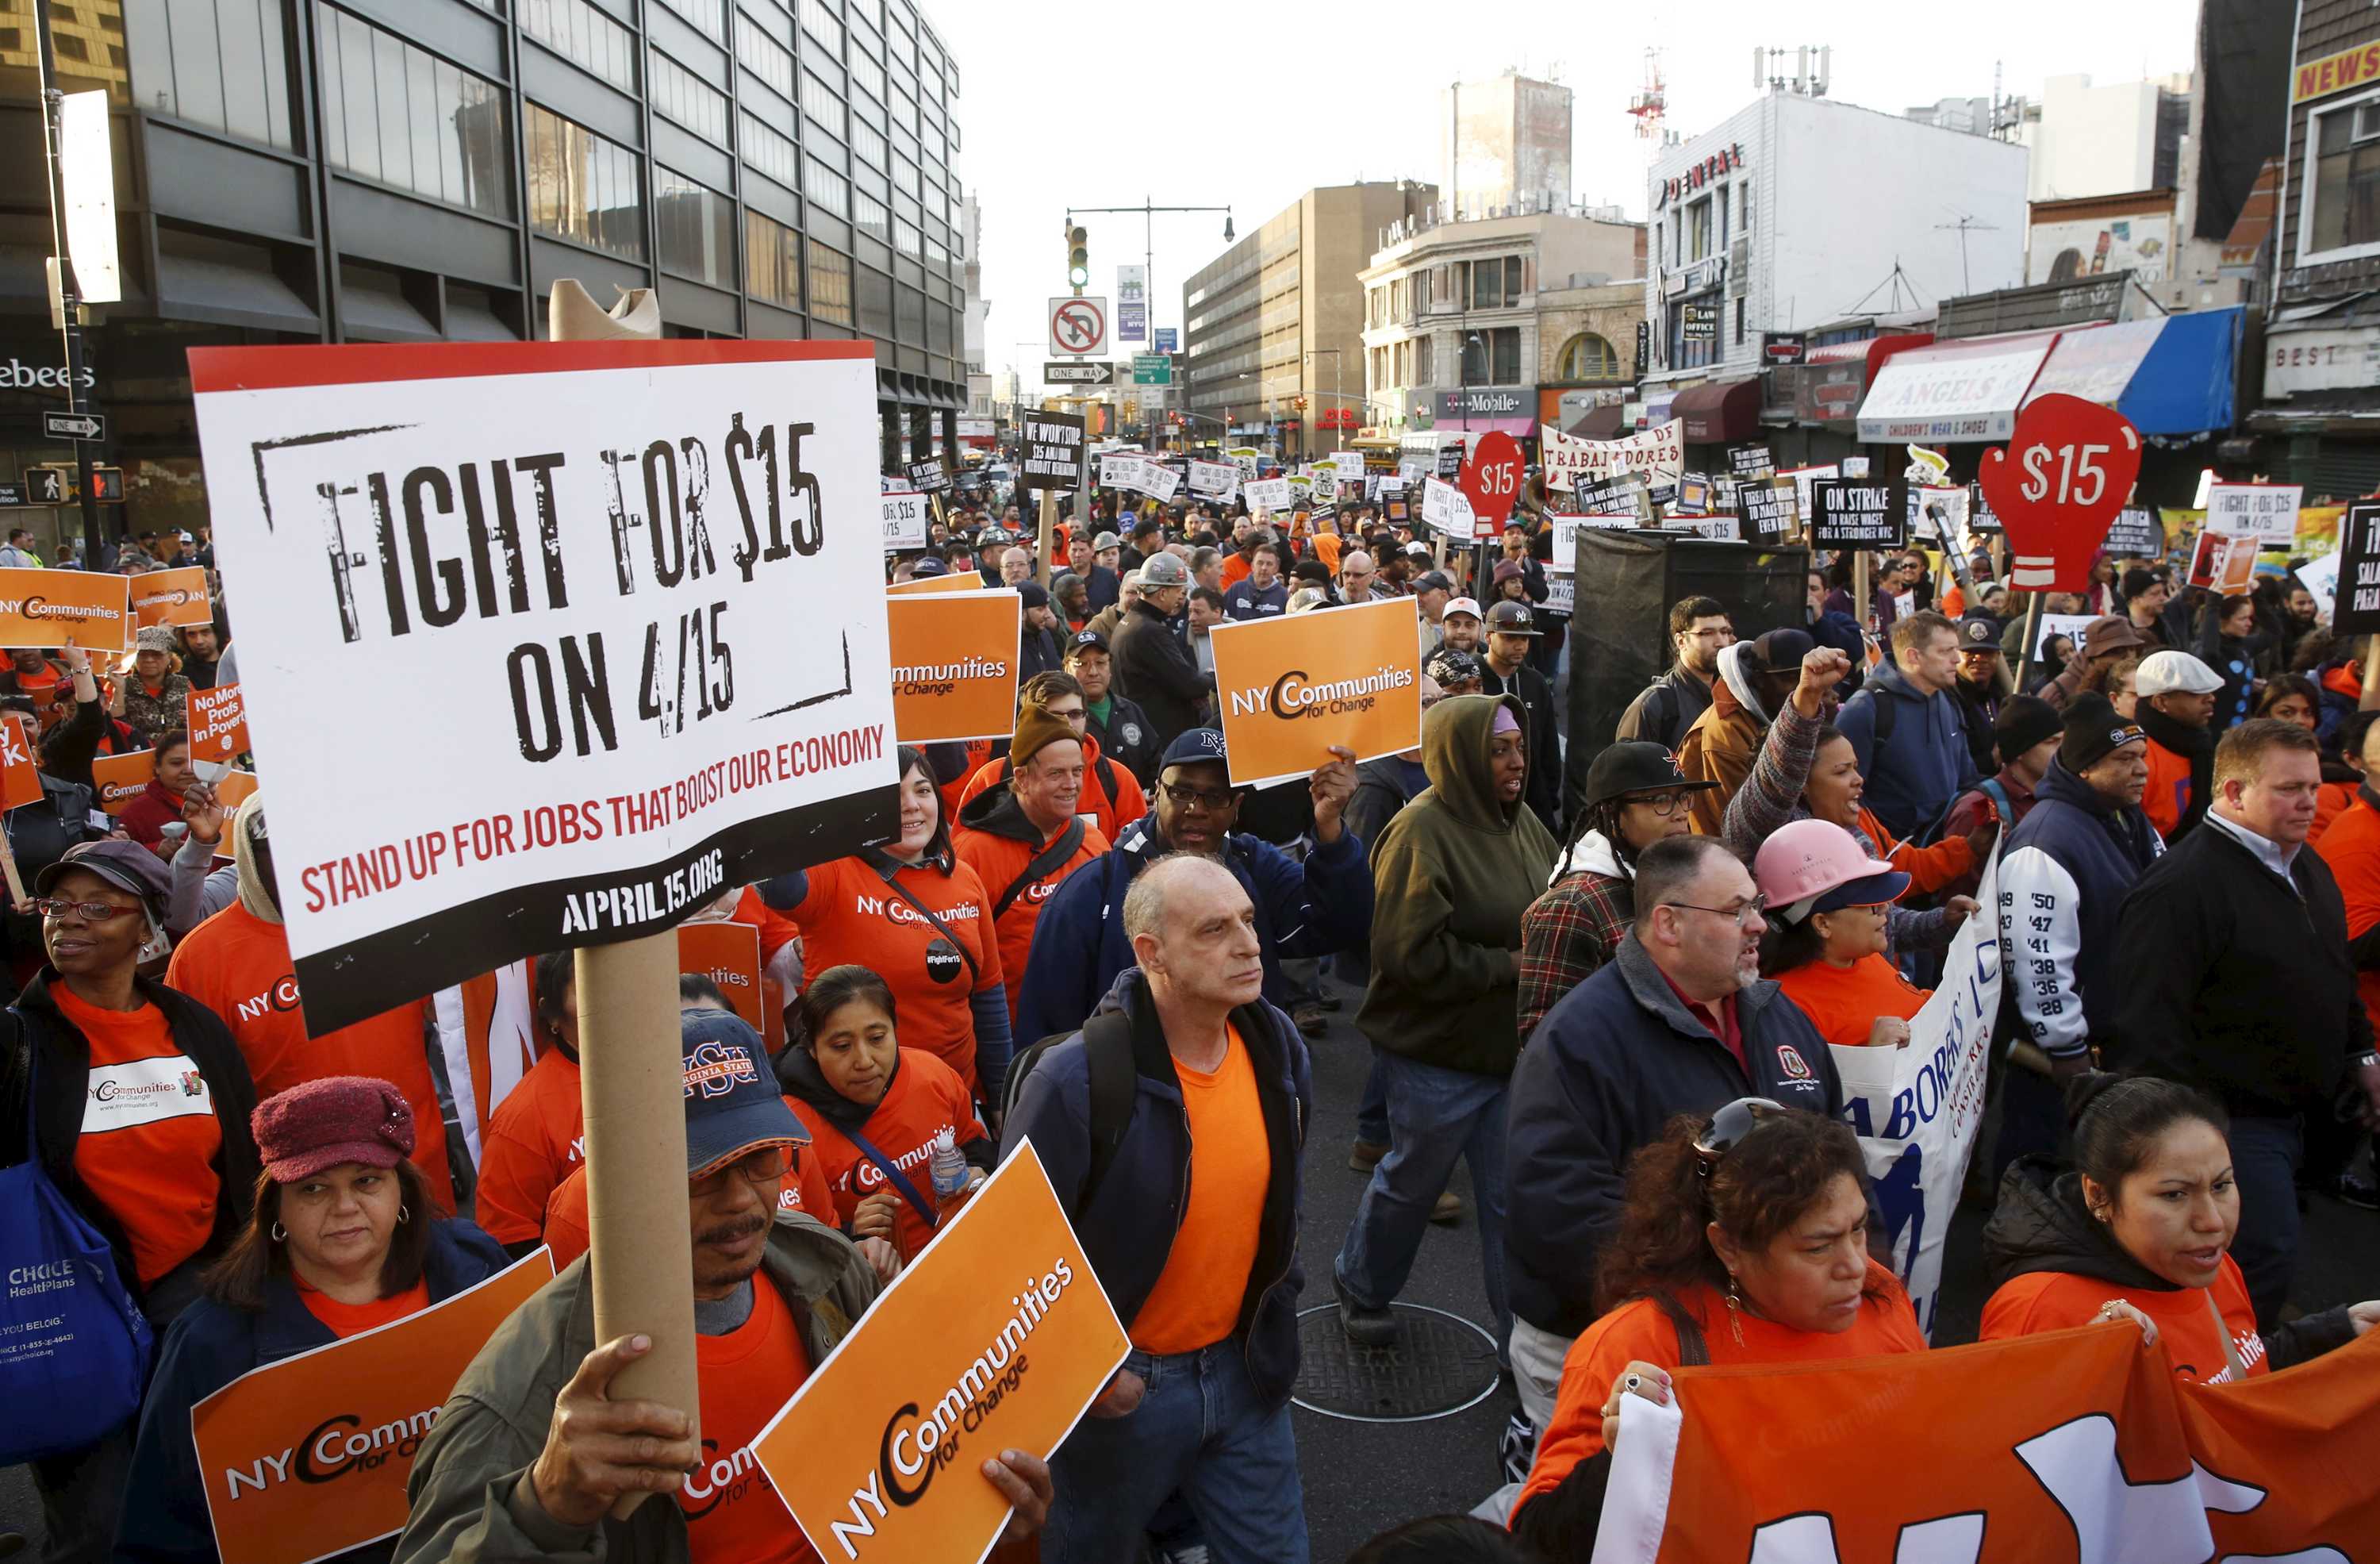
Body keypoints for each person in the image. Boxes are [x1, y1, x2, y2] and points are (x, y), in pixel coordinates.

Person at [397, 1006, 1054, 1561]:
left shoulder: (825, 1264)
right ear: (626, 1174)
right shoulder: (521, 1390)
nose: (741, 1200)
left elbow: (904, 1461)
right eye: (703, 1170)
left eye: (761, 1157)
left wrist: (982, 1506)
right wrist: (544, 1506)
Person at [1001, 855, 1311, 1564]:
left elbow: (1282, 1211)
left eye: (1248, 920)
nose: (1248, 943)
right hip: (1125, 1394)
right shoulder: (1074, 1081)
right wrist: (1082, 1375)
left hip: (1247, 1370)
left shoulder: (1278, 1048)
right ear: (1152, 953)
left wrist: (1276, 1310)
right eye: (1214, 928)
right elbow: (1014, 1255)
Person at [1503, 838, 1844, 1443]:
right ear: (1669, 923)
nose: (1760, 924)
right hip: (1615, 1355)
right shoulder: (1577, 1042)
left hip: (1756, 1336)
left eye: (1757, 904)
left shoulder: (1779, 1017)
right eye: (1736, 909)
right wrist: (1731, 1280)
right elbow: (1559, 1219)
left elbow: (1839, 1165)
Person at [119, 1077, 512, 1564]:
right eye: (313, 1188)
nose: (345, 1207)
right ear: (275, 1209)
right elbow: (161, 1536)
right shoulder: (209, 1346)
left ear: (401, 1188)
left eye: (367, 1180)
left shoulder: (479, 1269)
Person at [0, 840, 261, 1564]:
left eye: (95, 907)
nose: (66, 922)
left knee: (207, 1499)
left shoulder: (196, 1029)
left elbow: (242, 1160)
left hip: (193, 1302)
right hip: (74, 1313)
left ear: (145, 928)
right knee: (102, 1526)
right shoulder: (19, 1042)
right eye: (56, 905)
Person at [1511, 1104, 1924, 1556]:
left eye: (1859, 1229)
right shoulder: (1637, 1348)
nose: (1855, 1265)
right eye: (1819, 1247)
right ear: (1728, 1246)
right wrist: (1617, 1462)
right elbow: (1538, 1545)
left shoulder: (1878, 1297)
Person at [2109, 719, 2378, 1328]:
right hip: (2233, 1121)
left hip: (2305, 1109)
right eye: (2289, 789)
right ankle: (2229, 1371)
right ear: (2233, 792)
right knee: (2260, 1252)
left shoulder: (2304, 863)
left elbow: (2333, 969)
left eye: (2312, 785)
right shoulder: (2181, 888)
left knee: (2273, 1249)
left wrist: (2361, 1055)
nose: (2309, 801)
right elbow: (2147, 1031)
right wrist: (2196, 1137)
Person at [1334, 694, 1557, 1354]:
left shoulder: (1521, 820)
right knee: (1411, 1185)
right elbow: (1408, 956)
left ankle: (1521, 1342)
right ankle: (1361, 1283)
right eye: (1498, 748)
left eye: (1519, 744)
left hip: (1511, 1048)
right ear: (1459, 755)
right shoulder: (1418, 832)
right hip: (1437, 1054)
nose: (1516, 760)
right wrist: (1508, 964)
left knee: (1510, 1198)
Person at [1982, 1072, 2376, 1381]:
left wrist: (2335, 1332)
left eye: (2221, 1185)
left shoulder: (2203, 1262)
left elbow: (2231, 1375)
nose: (2213, 1221)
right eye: (2174, 1195)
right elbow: (2002, 1457)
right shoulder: (2040, 1311)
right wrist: (2078, 1377)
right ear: (2099, 1196)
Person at [167, 799, 458, 1213]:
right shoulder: (202, 956)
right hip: (302, 1195)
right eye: (278, 850)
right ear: (249, 855)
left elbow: (462, 1017)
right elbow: (192, 1090)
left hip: (414, 1176)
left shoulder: (396, 916)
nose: (297, 864)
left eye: (310, 845)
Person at [1017, 728, 1369, 1043]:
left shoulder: (1256, 867)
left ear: (1237, 807)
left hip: (1242, 1092)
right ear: (1157, 794)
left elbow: (1341, 925)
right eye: (1182, 791)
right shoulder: (1091, 891)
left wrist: (1330, 830)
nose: (1196, 809)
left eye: (1215, 797)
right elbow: (1047, 1033)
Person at [758, 745, 1012, 1099]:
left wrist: (1000, 1096)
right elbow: (780, 888)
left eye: (922, 790)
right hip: (857, 1107)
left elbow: (987, 997)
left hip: (951, 1100)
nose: (911, 805)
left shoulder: (965, 879)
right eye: (893, 795)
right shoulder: (835, 873)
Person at [1991, 693, 2163, 1178]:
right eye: (2124, 759)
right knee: (2043, 1178)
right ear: (2085, 768)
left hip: (2118, 1042)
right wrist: (2066, 1047)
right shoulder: (2046, 843)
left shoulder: (2125, 817)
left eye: (2142, 757)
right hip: (2062, 1064)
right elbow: (2036, 960)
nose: (2141, 770)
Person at [779, 966, 991, 1263]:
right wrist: (853, 1234)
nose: (864, 1061)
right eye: (841, 1046)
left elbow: (977, 1147)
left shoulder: (933, 1075)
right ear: (812, 1049)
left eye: (877, 1038)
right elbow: (796, 1250)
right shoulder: (791, 1131)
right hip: (878, 1298)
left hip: (966, 1262)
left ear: (895, 1030)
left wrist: (981, 1174)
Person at [1518, 744, 1714, 1045]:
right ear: (1613, 812)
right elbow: (1545, 1036)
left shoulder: (1678, 881)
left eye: (1684, 798)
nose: (1679, 814)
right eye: (1660, 800)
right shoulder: (1572, 907)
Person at [954, 707, 1109, 1039]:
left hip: (1083, 1029)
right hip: (1009, 1034)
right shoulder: (975, 853)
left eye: (1077, 772)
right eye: (1057, 774)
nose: (1071, 785)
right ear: (1022, 778)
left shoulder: (1094, 843)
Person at [1752, 819, 1929, 1050]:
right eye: (1870, 903)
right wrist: (1871, 1059)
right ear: (1823, 924)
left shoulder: (1861, 956)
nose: (1885, 908)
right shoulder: (1788, 1010)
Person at [1833, 609, 1979, 843]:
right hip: (1893, 858)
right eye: (1945, 651)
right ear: (1913, 657)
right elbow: (1842, 798)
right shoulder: (1865, 708)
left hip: (1947, 850)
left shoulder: (1949, 699)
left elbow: (1966, 777)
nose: (1957, 659)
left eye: (1955, 649)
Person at [958, 670, 1149, 843]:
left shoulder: (1117, 778)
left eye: (1075, 714)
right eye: (1054, 715)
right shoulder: (991, 777)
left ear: (1086, 717)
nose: (1066, 723)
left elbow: (1136, 860)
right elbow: (962, 855)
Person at [1676, 628, 1814, 835]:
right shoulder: (1724, 733)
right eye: (1791, 678)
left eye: (1808, 678)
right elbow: (1737, 832)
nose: (1802, 688)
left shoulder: (1802, 705)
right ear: (1758, 679)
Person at [1936, 694, 2063, 899]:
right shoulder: (1978, 806)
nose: (2061, 751)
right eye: (2052, 742)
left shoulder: (2057, 798)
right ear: (2020, 751)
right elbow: (1960, 899)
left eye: (2063, 741)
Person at [1111, 551, 1213, 753]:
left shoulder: (1132, 622)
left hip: (1143, 731)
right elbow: (1189, 684)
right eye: (1178, 592)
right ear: (1163, 593)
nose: (1180, 599)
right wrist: (1213, 677)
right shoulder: (1150, 631)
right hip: (1159, 737)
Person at [1477, 600, 1563, 836]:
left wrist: (1549, 796)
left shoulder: (1535, 682)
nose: (1518, 646)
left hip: (1533, 805)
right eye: (1509, 638)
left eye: (1524, 639)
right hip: (1484, 805)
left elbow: (1548, 746)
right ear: (1489, 637)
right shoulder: (1473, 680)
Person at [1615, 595, 1732, 749]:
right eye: (1707, 633)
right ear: (1681, 641)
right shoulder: (1652, 706)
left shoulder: (1733, 695)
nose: (1720, 642)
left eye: (1724, 632)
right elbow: (1630, 769)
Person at [2134, 648, 2224, 841]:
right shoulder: (2138, 757)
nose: (2211, 698)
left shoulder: (2200, 745)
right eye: (2195, 693)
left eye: (2209, 691)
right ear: (2161, 702)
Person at [1064, 628, 1161, 786]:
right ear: (1067, 669)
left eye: (1101, 663)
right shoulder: (1060, 717)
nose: (1093, 672)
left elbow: (1155, 762)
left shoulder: (1131, 711)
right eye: (1082, 664)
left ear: (1110, 667)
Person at [2034, 616, 2149, 710]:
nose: (2129, 657)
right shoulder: (2056, 692)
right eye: (2119, 652)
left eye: (2132, 649)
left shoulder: (2140, 680)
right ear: (2095, 656)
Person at [1952, 609, 2012, 779]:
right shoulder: (1946, 699)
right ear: (1957, 655)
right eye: (1970, 652)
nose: (1979, 658)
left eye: (1987, 653)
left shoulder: (2002, 693)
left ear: (1998, 656)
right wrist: (1992, 758)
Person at [118, 728, 198, 853]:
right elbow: (121, 857)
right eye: (177, 763)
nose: (189, 770)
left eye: (196, 762)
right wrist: (155, 850)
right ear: (157, 767)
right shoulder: (135, 814)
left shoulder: (226, 802)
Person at [115, 625, 197, 749]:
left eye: (156, 654)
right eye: (142, 654)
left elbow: (204, 719)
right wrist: (119, 690)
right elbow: (114, 725)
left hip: (179, 754)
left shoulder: (184, 685)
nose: (149, 660)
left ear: (169, 657)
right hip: (136, 755)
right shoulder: (120, 684)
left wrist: (195, 720)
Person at [2197, 591, 2264, 732]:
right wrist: (2213, 601)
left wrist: (2258, 594)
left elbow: (2275, 632)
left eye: (2250, 618)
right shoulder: (2211, 650)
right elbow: (2210, 650)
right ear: (2223, 620)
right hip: (2216, 732)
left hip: (2240, 732)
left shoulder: (2244, 645)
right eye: (2242, 619)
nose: (2249, 623)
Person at [1221, 537, 1288, 620]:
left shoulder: (1284, 596)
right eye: (1260, 563)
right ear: (1252, 566)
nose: (1264, 568)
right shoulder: (1236, 589)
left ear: (1276, 568)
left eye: (1269, 564)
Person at [1065, 530, 1122, 612]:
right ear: (1068, 550)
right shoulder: (1059, 579)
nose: (1078, 555)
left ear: (1092, 550)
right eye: (1074, 550)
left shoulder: (1108, 578)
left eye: (1082, 550)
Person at [178, 622, 224, 690]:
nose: (199, 641)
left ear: (216, 633)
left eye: (205, 633)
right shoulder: (181, 674)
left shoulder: (233, 662)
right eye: (192, 635)